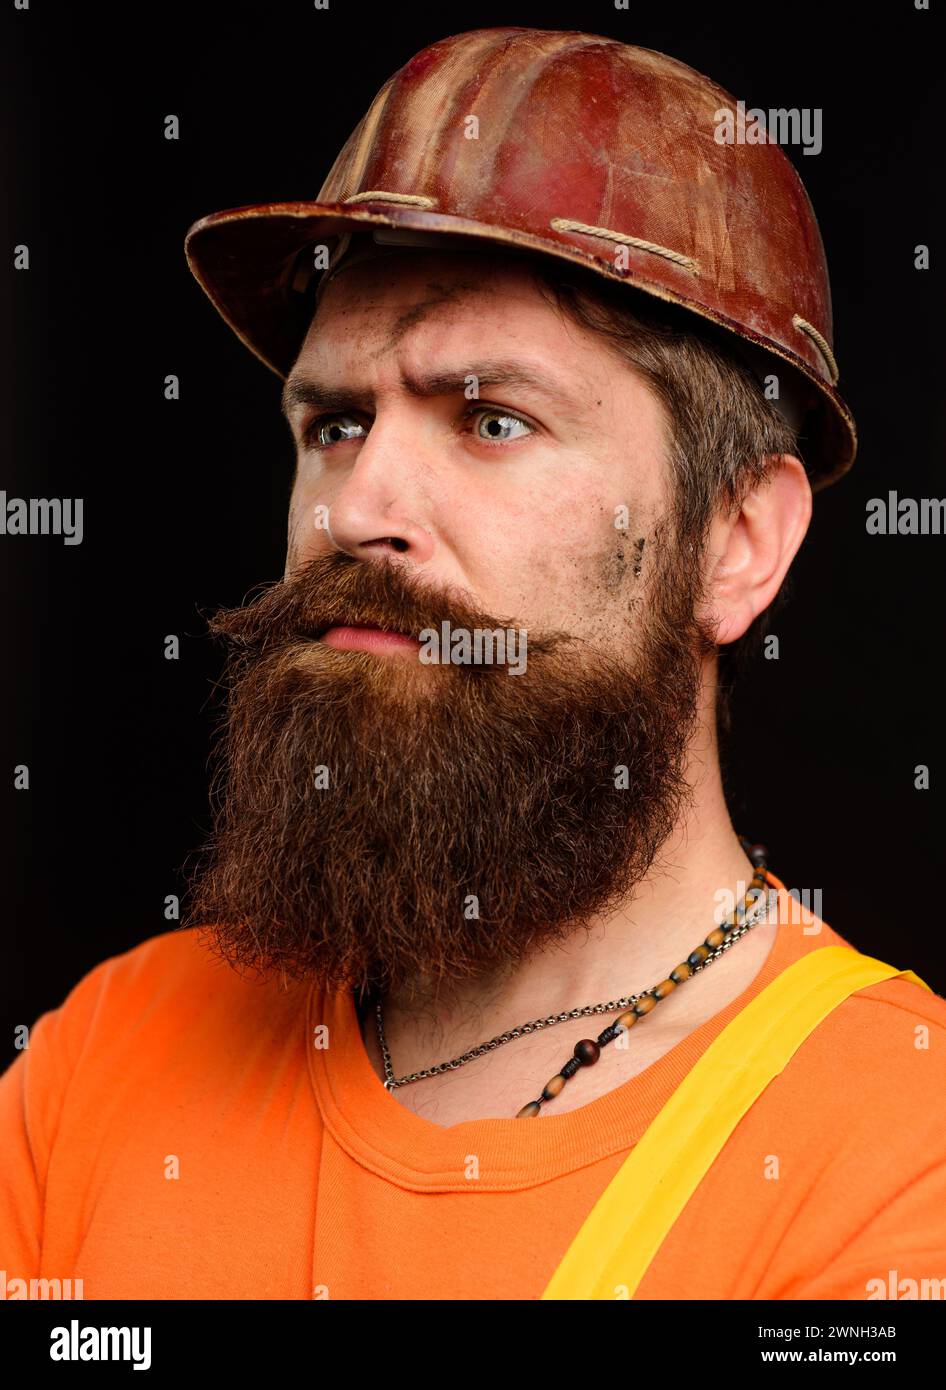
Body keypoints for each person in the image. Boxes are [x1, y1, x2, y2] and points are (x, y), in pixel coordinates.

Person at [2, 27, 945, 1302]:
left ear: (735, 543)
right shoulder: (106, 1054)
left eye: (492, 419)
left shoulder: (896, 1151)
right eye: (334, 424)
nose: (355, 507)